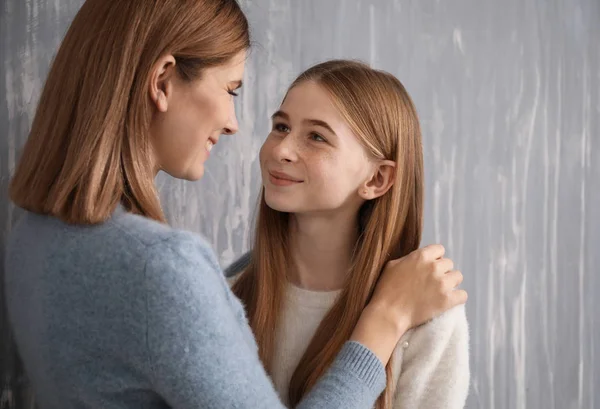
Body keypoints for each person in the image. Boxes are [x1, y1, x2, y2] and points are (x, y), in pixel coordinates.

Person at [4, 1, 467, 408]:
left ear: (379, 178)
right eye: (231, 90)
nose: (235, 125)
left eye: (317, 137)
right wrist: (384, 319)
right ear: (163, 81)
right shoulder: (190, 277)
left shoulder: (30, 238)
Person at [228, 60, 470, 409]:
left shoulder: (429, 316)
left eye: (316, 136)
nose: (280, 150)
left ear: (377, 180)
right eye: (281, 127)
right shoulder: (230, 292)